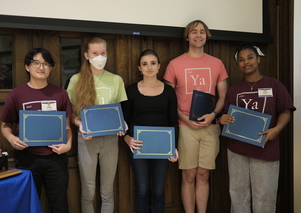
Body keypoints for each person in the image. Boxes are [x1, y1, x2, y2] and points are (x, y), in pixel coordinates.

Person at [218, 42, 296, 213]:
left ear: (258, 59)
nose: (246, 62)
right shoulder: (233, 90)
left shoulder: (275, 85)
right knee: (238, 195)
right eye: (241, 60)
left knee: (264, 197)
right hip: (237, 150)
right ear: (237, 64)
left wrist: (276, 129)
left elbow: (286, 111)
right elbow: (226, 116)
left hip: (265, 149)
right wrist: (222, 119)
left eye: (250, 58)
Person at [163, 20, 228, 213]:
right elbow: (169, 100)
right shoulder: (175, 64)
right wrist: (184, 118)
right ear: (187, 37)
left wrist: (214, 114)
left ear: (206, 36)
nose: (198, 35)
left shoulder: (217, 63)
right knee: (189, 176)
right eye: (194, 32)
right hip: (185, 127)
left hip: (210, 127)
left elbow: (223, 96)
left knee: (203, 175)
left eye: (202, 32)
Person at [0, 48, 73, 213]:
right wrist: (12, 139)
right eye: (36, 63)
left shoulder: (60, 94)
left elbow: (67, 127)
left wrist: (68, 145)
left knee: (60, 206)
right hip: (28, 158)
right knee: (29, 206)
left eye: (46, 64)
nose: (42, 67)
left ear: (51, 68)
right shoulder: (16, 95)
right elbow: (4, 126)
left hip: (56, 158)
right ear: (27, 67)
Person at [66, 37, 127, 213]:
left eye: (103, 53)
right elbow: (71, 113)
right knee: (88, 193)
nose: (99, 57)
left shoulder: (116, 80)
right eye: (95, 53)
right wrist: (79, 124)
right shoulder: (76, 80)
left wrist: (121, 122)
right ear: (86, 55)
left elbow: (119, 111)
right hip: (87, 139)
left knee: (107, 192)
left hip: (110, 140)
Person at [121, 49, 179, 213]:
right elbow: (123, 122)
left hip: (162, 147)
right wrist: (127, 139)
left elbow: (173, 121)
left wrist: (174, 147)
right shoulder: (131, 90)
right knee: (142, 190)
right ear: (139, 68)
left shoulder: (169, 91)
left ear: (159, 66)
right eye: (145, 64)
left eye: (153, 63)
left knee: (159, 191)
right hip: (137, 145)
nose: (149, 67)